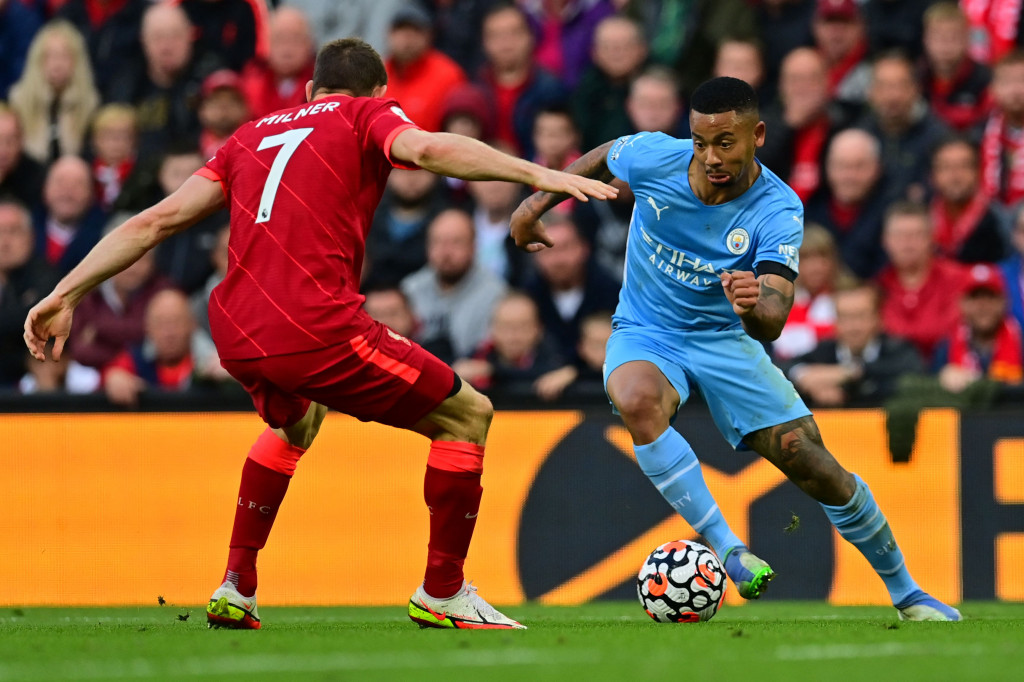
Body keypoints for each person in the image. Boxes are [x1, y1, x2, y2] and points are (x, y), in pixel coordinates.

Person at [24, 37, 617, 631]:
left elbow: (158, 219)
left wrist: (64, 292)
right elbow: (429, 148)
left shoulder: (248, 136)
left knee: (298, 420)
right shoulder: (365, 114)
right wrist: (539, 174)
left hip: (235, 327)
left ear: (309, 90)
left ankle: (237, 584)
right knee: (469, 414)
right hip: (314, 324)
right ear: (382, 93)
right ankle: (444, 589)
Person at [509, 76, 961, 621]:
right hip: (647, 329)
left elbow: (772, 319)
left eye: (726, 142)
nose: (711, 157)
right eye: (701, 142)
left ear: (758, 135)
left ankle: (908, 592)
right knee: (636, 398)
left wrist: (753, 305)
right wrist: (536, 203)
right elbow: (607, 155)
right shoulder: (657, 157)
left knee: (811, 462)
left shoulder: (777, 209)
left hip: (725, 338)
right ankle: (729, 550)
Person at [785, 283, 925, 407]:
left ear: (879, 319)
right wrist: (807, 381)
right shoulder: (824, 351)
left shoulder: (898, 350)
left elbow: (915, 373)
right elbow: (781, 368)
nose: (853, 327)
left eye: (861, 316)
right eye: (845, 317)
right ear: (835, 321)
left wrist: (851, 373)